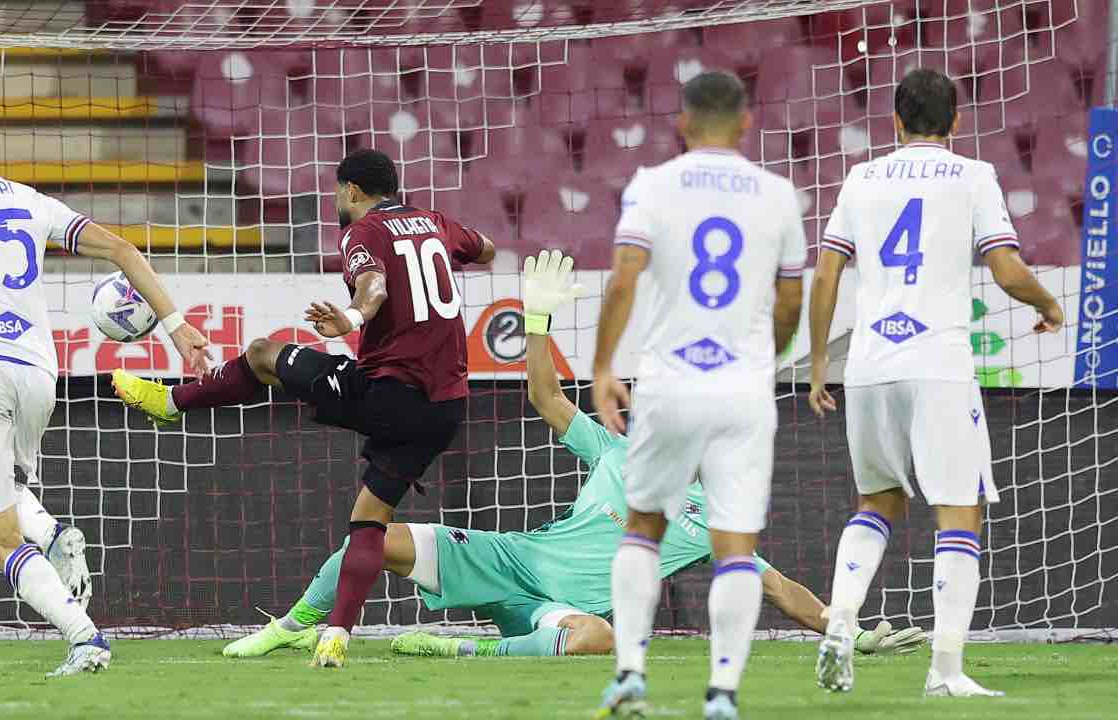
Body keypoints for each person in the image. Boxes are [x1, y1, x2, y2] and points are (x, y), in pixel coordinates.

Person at [221, 251, 925, 662]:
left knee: (599, 637)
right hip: (512, 558)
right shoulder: (620, 451)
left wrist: (845, 629)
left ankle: (457, 648)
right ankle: (291, 626)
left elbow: (779, 590)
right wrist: (538, 320)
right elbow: (549, 398)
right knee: (373, 540)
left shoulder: (711, 518)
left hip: (554, 612)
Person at [112, 148, 496, 668]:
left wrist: (353, 316)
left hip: (389, 395)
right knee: (369, 522)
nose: (336, 201)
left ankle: (172, 402)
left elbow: (375, 284)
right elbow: (487, 248)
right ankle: (336, 634)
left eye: (338, 192)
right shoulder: (433, 221)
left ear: (353, 191)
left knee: (264, 354)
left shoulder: (362, 233)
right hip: (445, 409)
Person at [0, 101, 210, 676]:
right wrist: (174, 325)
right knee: (10, 496)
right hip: (39, 372)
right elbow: (122, 250)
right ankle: (57, 534)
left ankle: (84, 636)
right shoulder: (30, 201)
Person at [807, 68, 1064, 698]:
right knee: (961, 511)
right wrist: (1047, 302)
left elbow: (827, 272)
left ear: (894, 122)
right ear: (955, 123)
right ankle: (945, 672)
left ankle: (840, 619)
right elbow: (1004, 266)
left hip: (868, 364)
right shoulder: (973, 174)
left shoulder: (862, 178)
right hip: (937, 363)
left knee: (877, 503)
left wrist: (818, 364)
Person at [590, 71, 807, 720]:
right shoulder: (778, 194)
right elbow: (792, 298)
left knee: (644, 526)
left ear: (682, 124)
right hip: (741, 389)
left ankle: (630, 672)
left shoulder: (652, 186)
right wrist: (763, 356)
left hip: (669, 383)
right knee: (735, 544)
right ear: (747, 124)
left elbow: (625, 277)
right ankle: (722, 695)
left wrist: (604, 365)